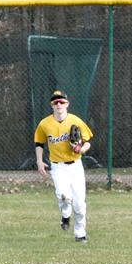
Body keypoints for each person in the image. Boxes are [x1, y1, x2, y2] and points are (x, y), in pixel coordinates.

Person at [34, 90, 94, 243]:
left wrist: (81, 149)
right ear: (52, 105)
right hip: (58, 166)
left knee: (80, 203)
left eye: (61, 102)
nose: (58, 104)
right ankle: (66, 215)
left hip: (75, 166)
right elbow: (39, 143)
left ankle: (80, 234)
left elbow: (87, 141)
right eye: (55, 102)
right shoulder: (44, 124)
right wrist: (39, 161)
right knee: (64, 196)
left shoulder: (76, 120)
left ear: (67, 104)